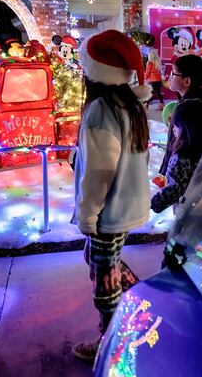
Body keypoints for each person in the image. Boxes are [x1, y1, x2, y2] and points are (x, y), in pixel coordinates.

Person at [71, 30, 151, 361]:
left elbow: (99, 173)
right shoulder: (130, 104)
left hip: (109, 211)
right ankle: (142, 301)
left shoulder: (102, 110)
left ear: (95, 72)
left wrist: (88, 216)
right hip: (126, 205)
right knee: (102, 261)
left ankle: (111, 343)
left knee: (103, 277)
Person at [157, 54, 202, 177]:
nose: (169, 77)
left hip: (180, 178)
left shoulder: (187, 109)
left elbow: (177, 146)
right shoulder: (200, 103)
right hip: (194, 177)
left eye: (173, 73)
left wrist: (165, 172)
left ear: (187, 81)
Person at [151, 99, 202, 213]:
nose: (173, 128)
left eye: (176, 125)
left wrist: (154, 202)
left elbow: (174, 189)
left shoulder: (181, 157)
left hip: (186, 212)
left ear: (188, 128)